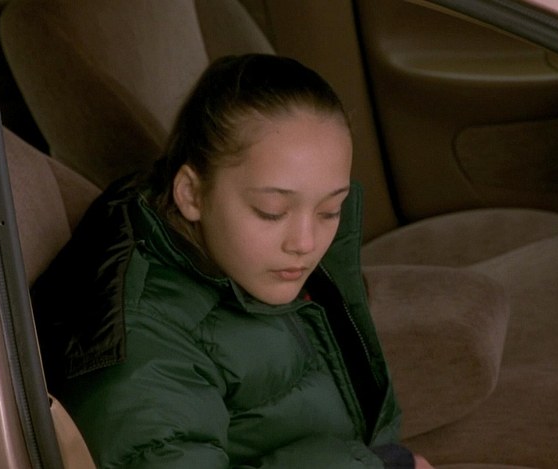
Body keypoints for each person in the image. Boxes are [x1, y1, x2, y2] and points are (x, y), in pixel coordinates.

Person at [32, 53, 434, 469]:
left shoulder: (245, 262)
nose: (306, 242)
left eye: (330, 210)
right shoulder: (146, 343)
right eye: (271, 212)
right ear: (191, 194)